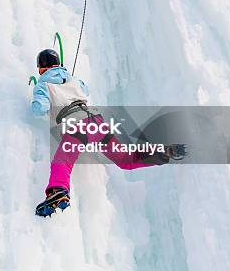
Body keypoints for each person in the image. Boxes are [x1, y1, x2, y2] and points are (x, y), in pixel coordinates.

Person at [31, 49, 185, 217]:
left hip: (76, 125)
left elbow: (39, 109)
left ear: (42, 68)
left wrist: (37, 98)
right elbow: (85, 90)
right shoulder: (73, 79)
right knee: (125, 158)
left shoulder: (43, 85)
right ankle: (162, 152)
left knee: (62, 161)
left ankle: (58, 190)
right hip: (96, 122)